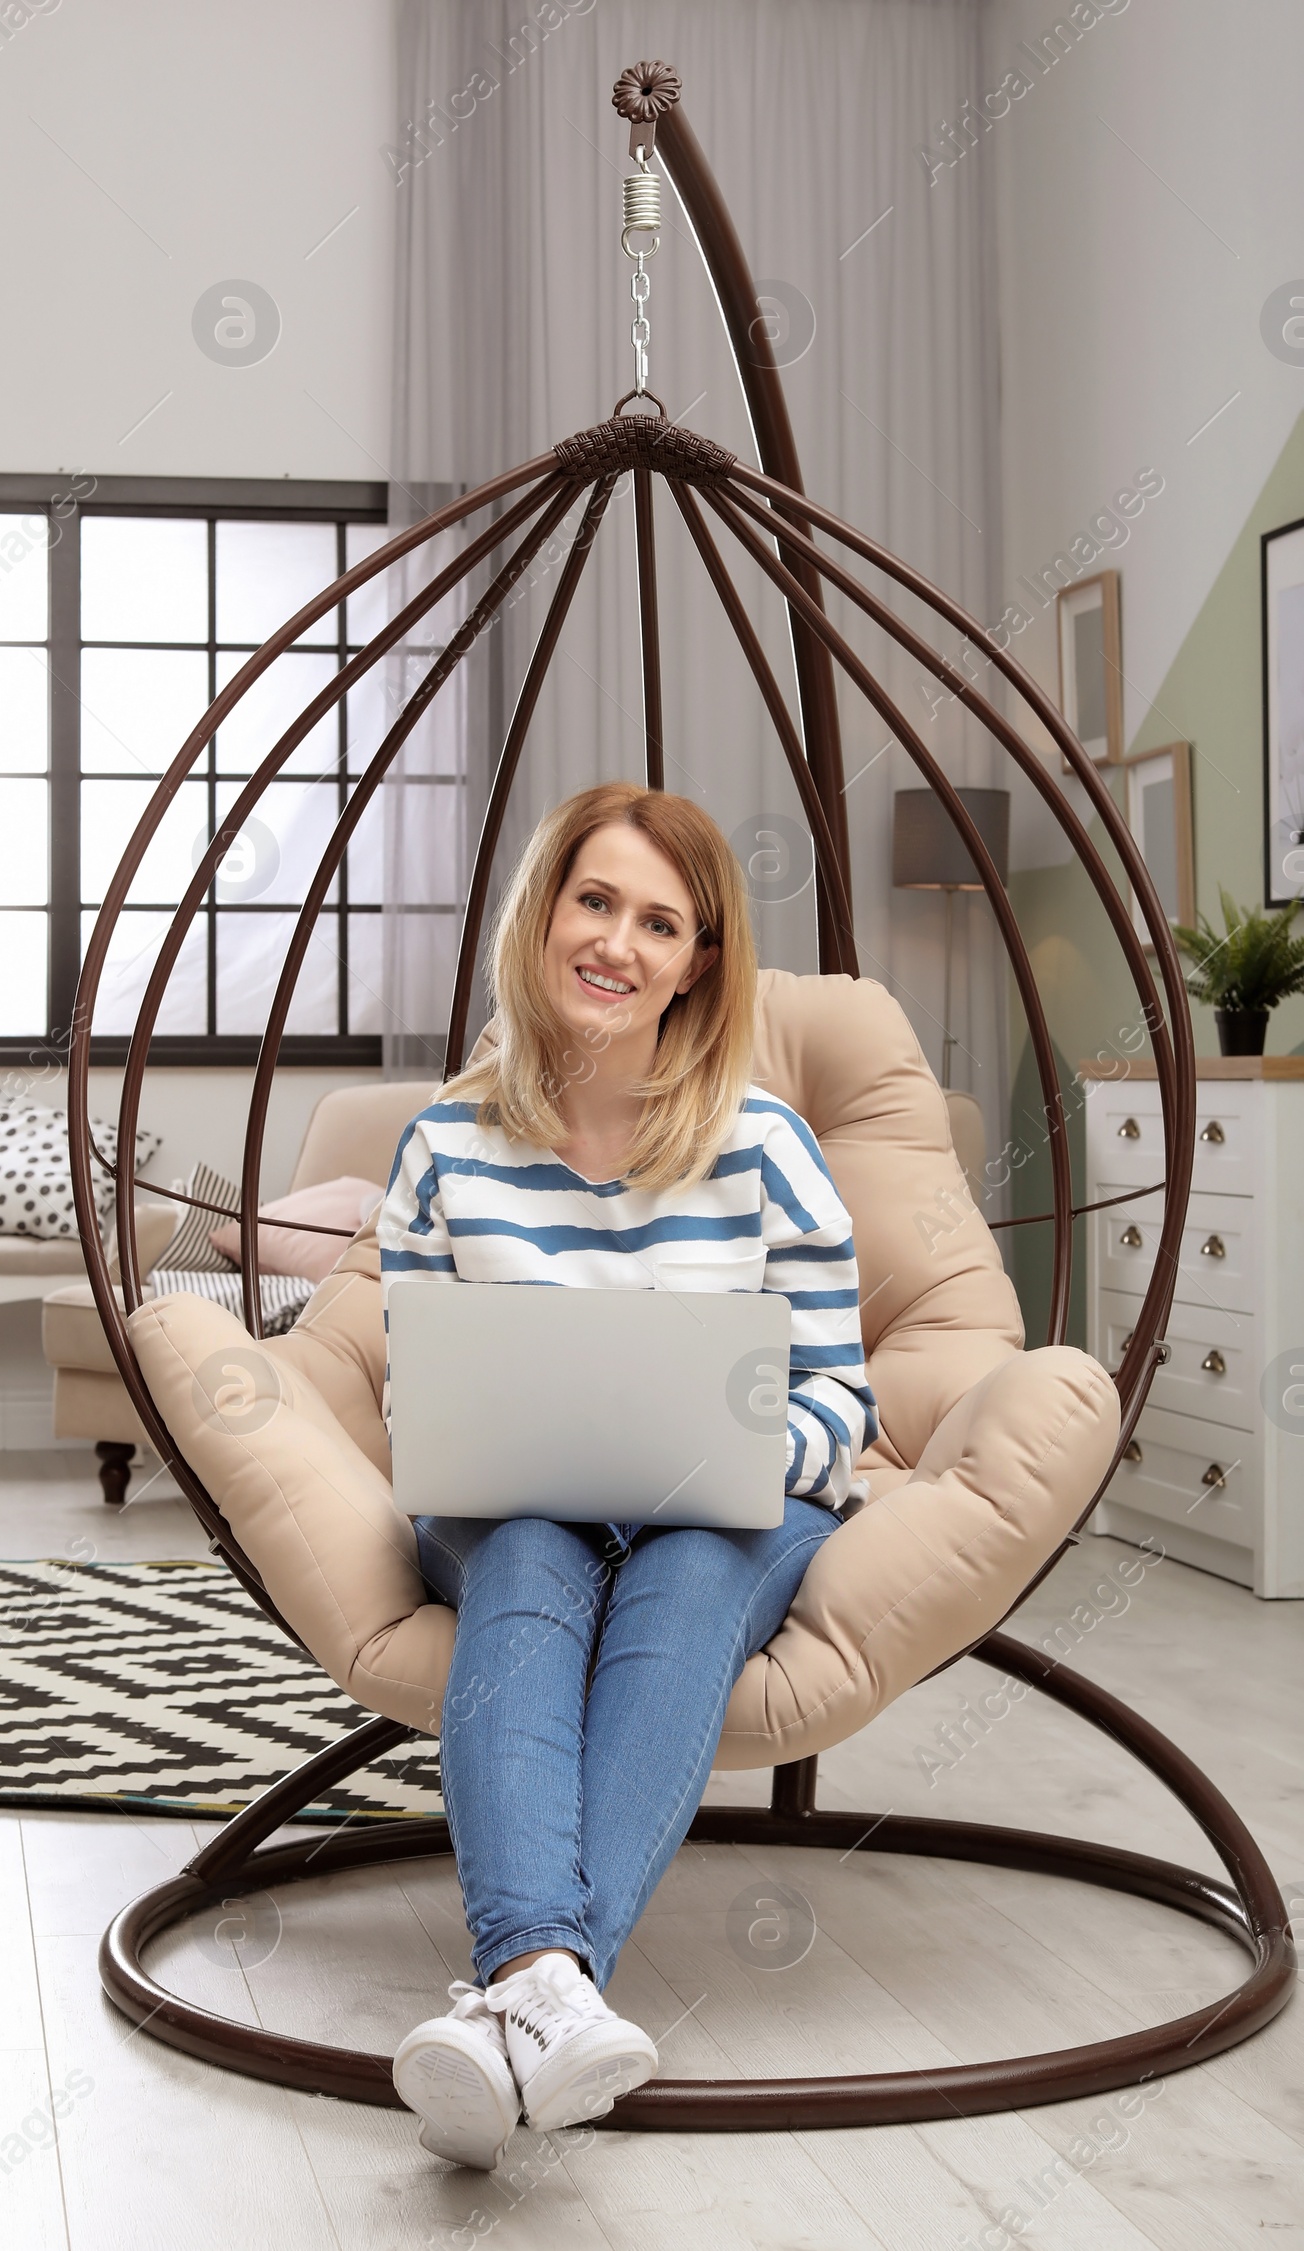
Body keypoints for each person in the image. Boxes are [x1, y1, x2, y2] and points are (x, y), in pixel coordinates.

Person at [378, 782, 877, 2170]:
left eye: (663, 922)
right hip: (511, 1500)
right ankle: (553, 1991)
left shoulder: (768, 1146)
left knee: (690, 1563)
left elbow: (842, 1395)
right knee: (531, 1551)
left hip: (726, 1507)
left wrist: (725, 1457)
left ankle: (520, 1991)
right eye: (595, 901)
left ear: (700, 964)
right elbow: (421, 1390)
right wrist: (507, 1454)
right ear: (544, 916)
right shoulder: (444, 1147)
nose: (620, 942)